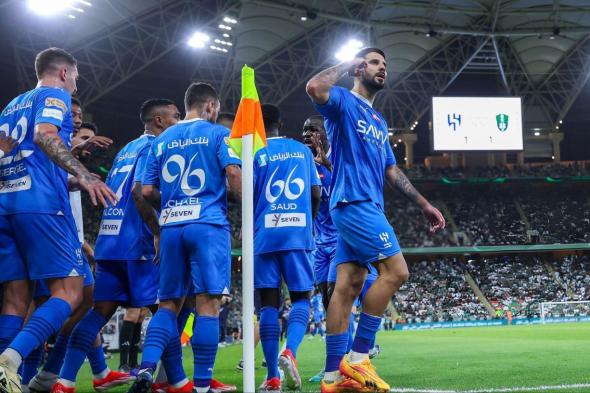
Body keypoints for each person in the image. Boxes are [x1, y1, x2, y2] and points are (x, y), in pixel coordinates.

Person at [306, 47, 445, 392]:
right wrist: (344, 63)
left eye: (385, 64)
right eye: (374, 62)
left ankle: (332, 378)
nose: (382, 68)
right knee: (396, 272)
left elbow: (391, 170)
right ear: (358, 68)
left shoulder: (379, 121)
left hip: (364, 203)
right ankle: (358, 358)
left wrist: (424, 203)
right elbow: (313, 88)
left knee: (347, 285)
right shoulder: (342, 101)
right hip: (355, 203)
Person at [0, 47, 116, 393]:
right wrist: (85, 174)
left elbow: (16, 157)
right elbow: (45, 135)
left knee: (15, 299)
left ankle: (9, 379)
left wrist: (71, 178)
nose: (76, 86)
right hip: (42, 207)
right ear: (65, 72)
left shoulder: (10, 107)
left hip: (7, 204)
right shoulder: (54, 94)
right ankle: (10, 359)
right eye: (77, 77)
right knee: (72, 292)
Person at [50, 98, 180, 393]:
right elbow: (139, 192)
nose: (178, 121)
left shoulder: (126, 149)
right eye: (175, 116)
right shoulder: (153, 146)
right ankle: (164, 378)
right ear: (158, 121)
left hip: (109, 242)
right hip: (138, 243)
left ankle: (65, 381)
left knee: (98, 313)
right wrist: (157, 232)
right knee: (165, 311)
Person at [126, 82, 241, 393]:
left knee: (167, 306)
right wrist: (245, 203)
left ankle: (146, 369)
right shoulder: (219, 134)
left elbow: (146, 191)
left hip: (172, 226)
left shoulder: (161, 140)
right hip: (208, 224)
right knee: (208, 306)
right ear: (212, 107)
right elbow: (232, 173)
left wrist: (177, 203)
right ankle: (202, 385)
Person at [28, 120, 118, 392]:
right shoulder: (55, 162)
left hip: (71, 241)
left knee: (83, 305)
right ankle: (29, 372)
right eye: (82, 137)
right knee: (49, 307)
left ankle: (95, 372)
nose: (88, 143)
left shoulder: (75, 172)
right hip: (56, 239)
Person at [253, 104, 321, 392]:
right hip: (297, 233)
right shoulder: (302, 151)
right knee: (301, 298)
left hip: (264, 235)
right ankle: (289, 350)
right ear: (280, 122)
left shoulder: (253, 153)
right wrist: (308, 222)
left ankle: (271, 377)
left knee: (268, 304)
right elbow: (316, 192)